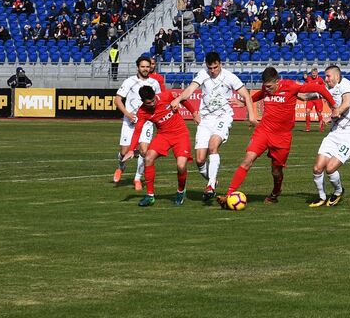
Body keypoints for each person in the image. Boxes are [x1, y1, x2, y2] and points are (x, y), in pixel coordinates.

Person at [226, 67, 334, 206]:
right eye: (265, 86)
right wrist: (245, 102)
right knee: (247, 160)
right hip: (263, 131)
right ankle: (229, 194)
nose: (268, 89)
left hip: (282, 137)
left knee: (276, 171)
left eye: (270, 86)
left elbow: (320, 89)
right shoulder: (266, 89)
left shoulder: (291, 86)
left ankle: (276, 192)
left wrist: (334, 104)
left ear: (278, 81)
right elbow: (260, 94)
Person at [171, 52, 257, 204]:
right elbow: (190, 89)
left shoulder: (229, 77)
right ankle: (213, 180)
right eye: (210, 68)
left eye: (215, 67)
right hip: (205, 120)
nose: (213, 71)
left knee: (213, 146)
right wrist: (178, 99)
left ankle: (210, 185)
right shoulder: (203, 74)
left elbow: (245, 94)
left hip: (223, 118)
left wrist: (251, 115)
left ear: (220, 64)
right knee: (199, 160)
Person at [121, 85, 192, 206]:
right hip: (163, 135)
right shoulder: (142, 111)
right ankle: (150, 196)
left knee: (181, 166)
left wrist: (194, 112)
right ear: (143, 102)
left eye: (153, 100)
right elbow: (137, 130)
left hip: (180, 134)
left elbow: (183, 99)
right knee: (148, 157)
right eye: (149, 103)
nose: (152, 104)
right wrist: (132, 149)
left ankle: (180, 191)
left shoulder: (166, 95)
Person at [309, 64, 350, 207]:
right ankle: (321, 197)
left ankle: (338, 191)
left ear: (336, 75)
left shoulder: (346, 84)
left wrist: (334, 114)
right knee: (317, 168)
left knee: (330, 168)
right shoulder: (327, 89)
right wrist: (293, 92)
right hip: (335, 133)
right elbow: (308, 95)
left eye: (328, 76)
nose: (326, 79)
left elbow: (346, 103)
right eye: (325, 76)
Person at [114, 56, 166, 188]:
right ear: (138, 67)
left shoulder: (154, 83)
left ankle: (137, 178)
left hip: (146, 122)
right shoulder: (129, 81)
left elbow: (159, 100)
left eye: (147, 67)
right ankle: (121, 167)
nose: (145, 69)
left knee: (144, 151)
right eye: (142, 67)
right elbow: (118, 99)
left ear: (151, 67)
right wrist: (127, 114)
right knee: (124, 152)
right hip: (130, 122)